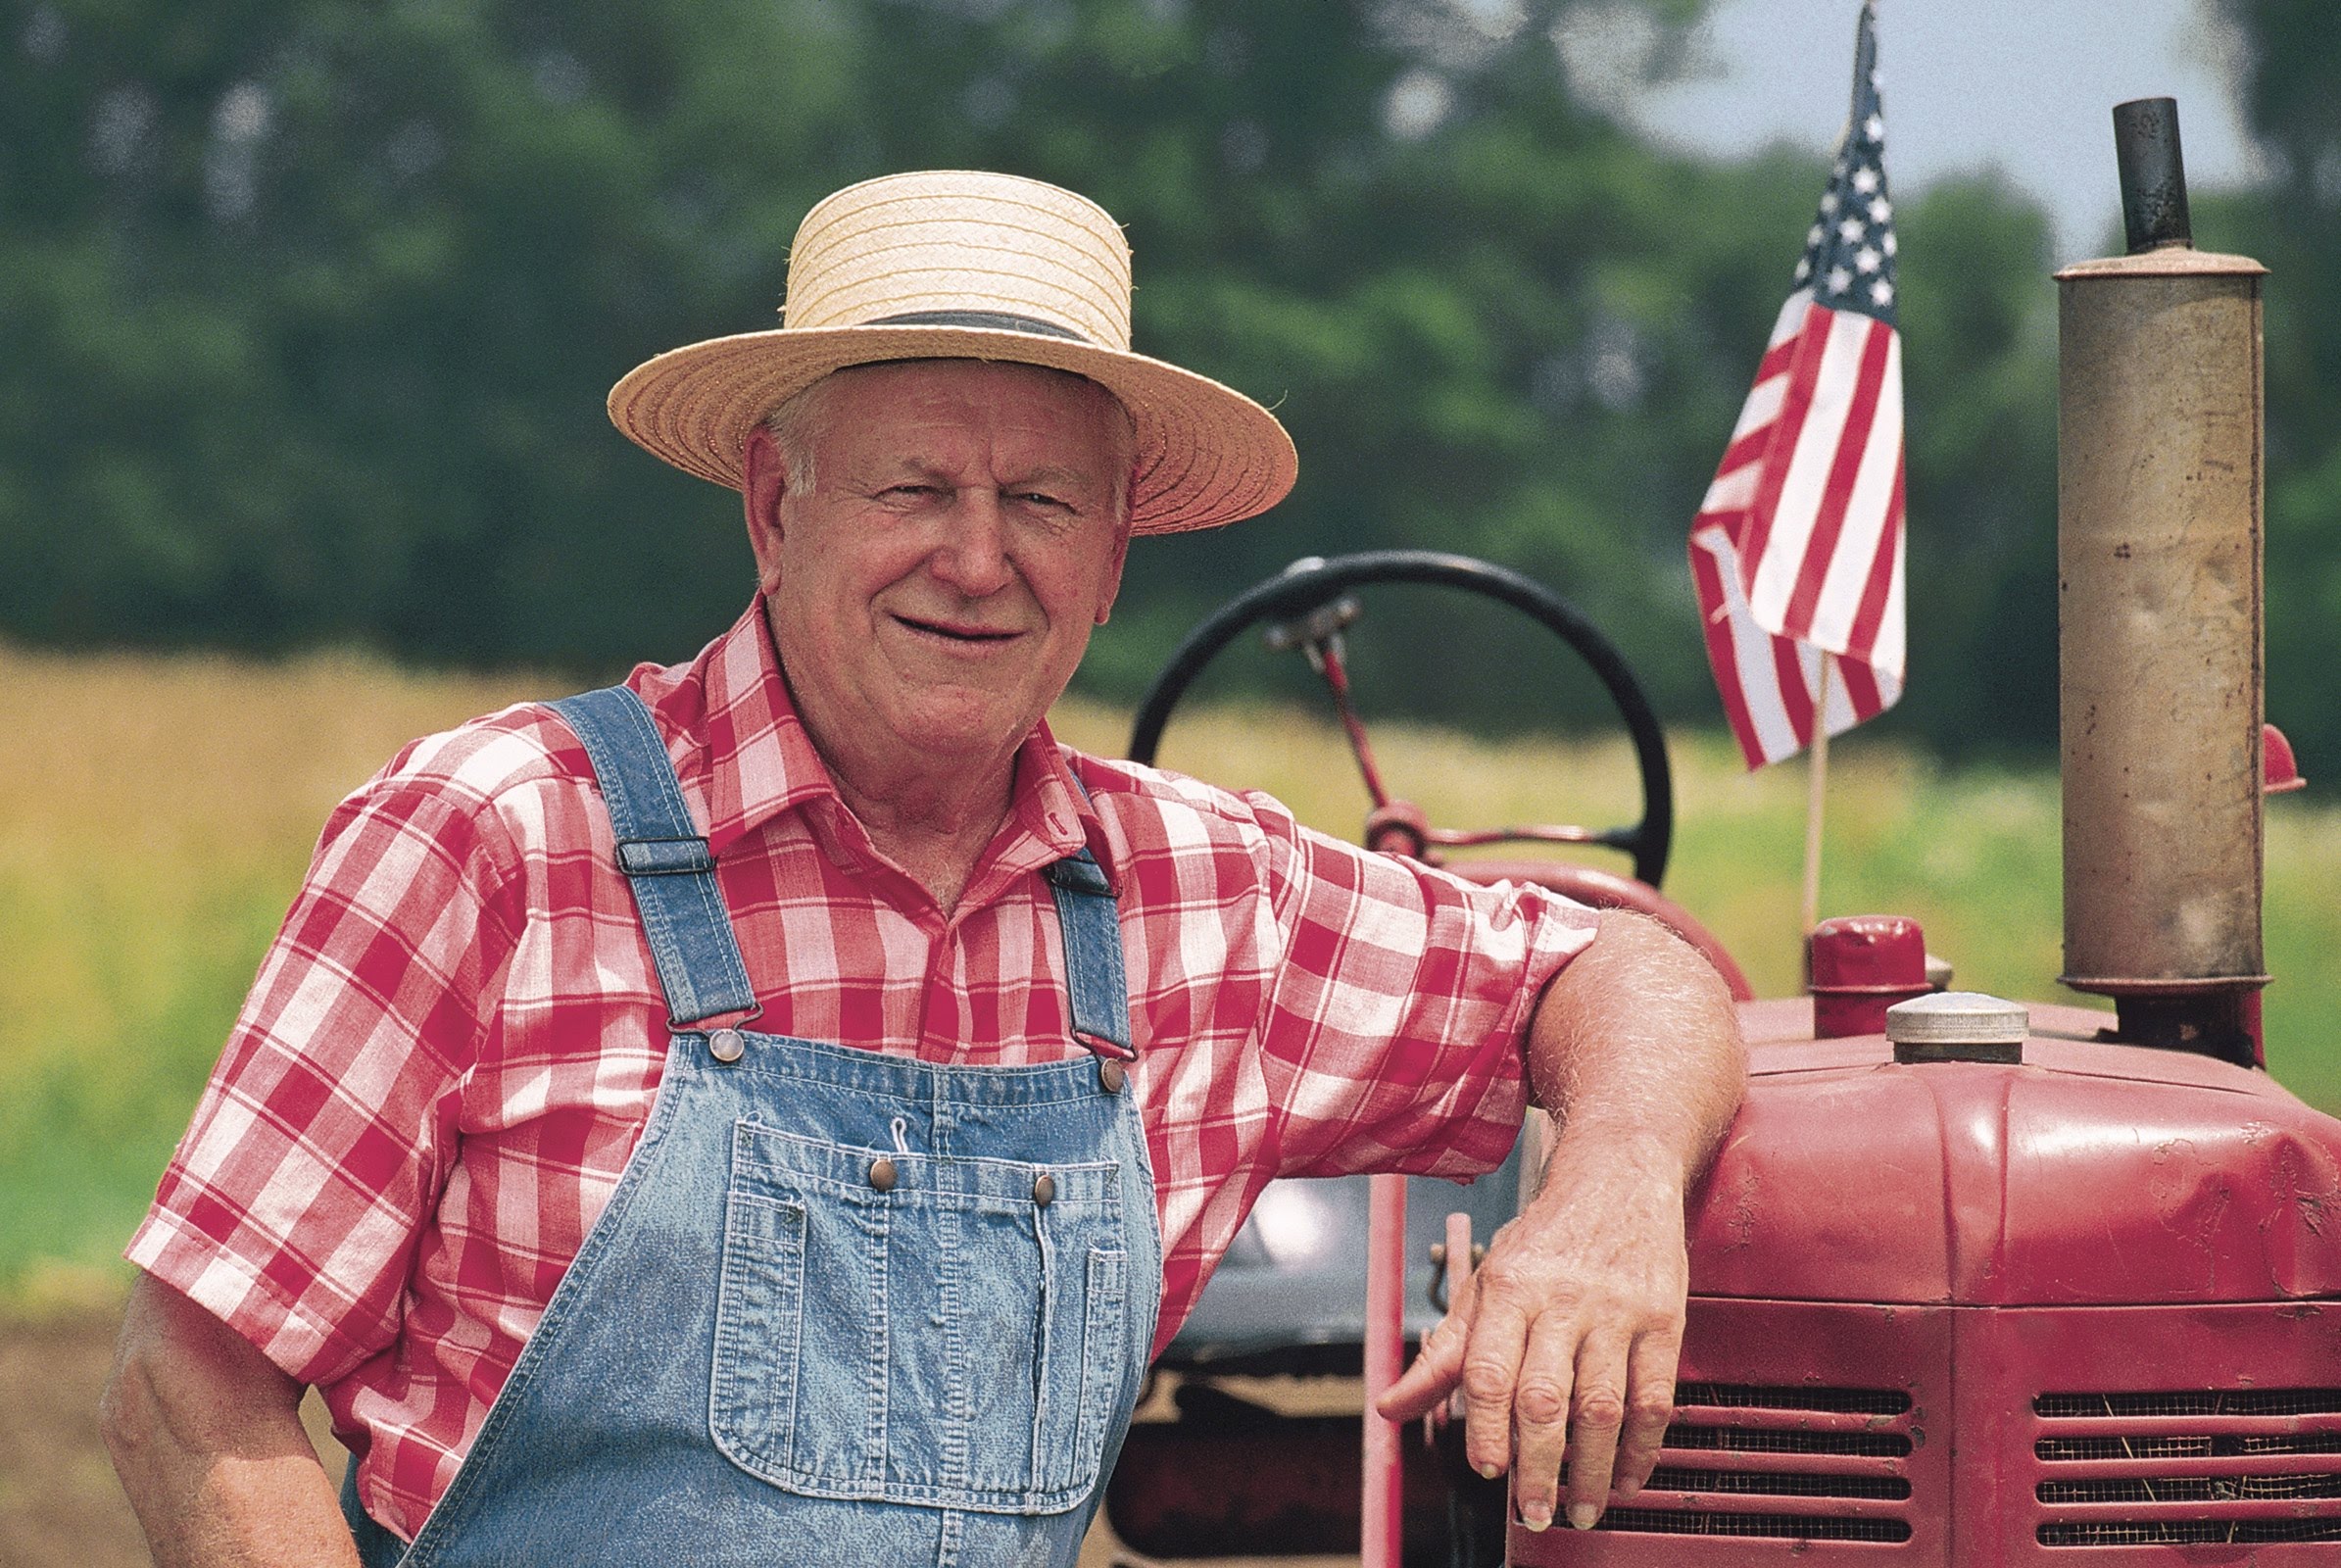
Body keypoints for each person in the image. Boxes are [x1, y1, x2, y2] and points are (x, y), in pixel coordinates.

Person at [100, 171, 1745, 1567]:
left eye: (1041, 501)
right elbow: (189, 1387)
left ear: (1113, 556)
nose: (975, 559)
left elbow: (1621, 969)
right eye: (914, 489)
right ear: (775, 506)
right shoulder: (496, 834)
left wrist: (1608, 1192)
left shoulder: (1205, 900)